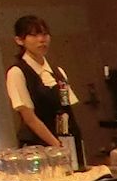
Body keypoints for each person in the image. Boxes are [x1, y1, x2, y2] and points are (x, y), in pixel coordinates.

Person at [4, 13, 70, 155]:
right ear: (19, 40)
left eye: (45, 34)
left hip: (64, 140)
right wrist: (57, 145)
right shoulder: (17, 72)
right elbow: (30, 118)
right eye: (34, 35)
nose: (41, 40)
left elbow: (67, 110)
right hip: (36, 146)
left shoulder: (58, 72)